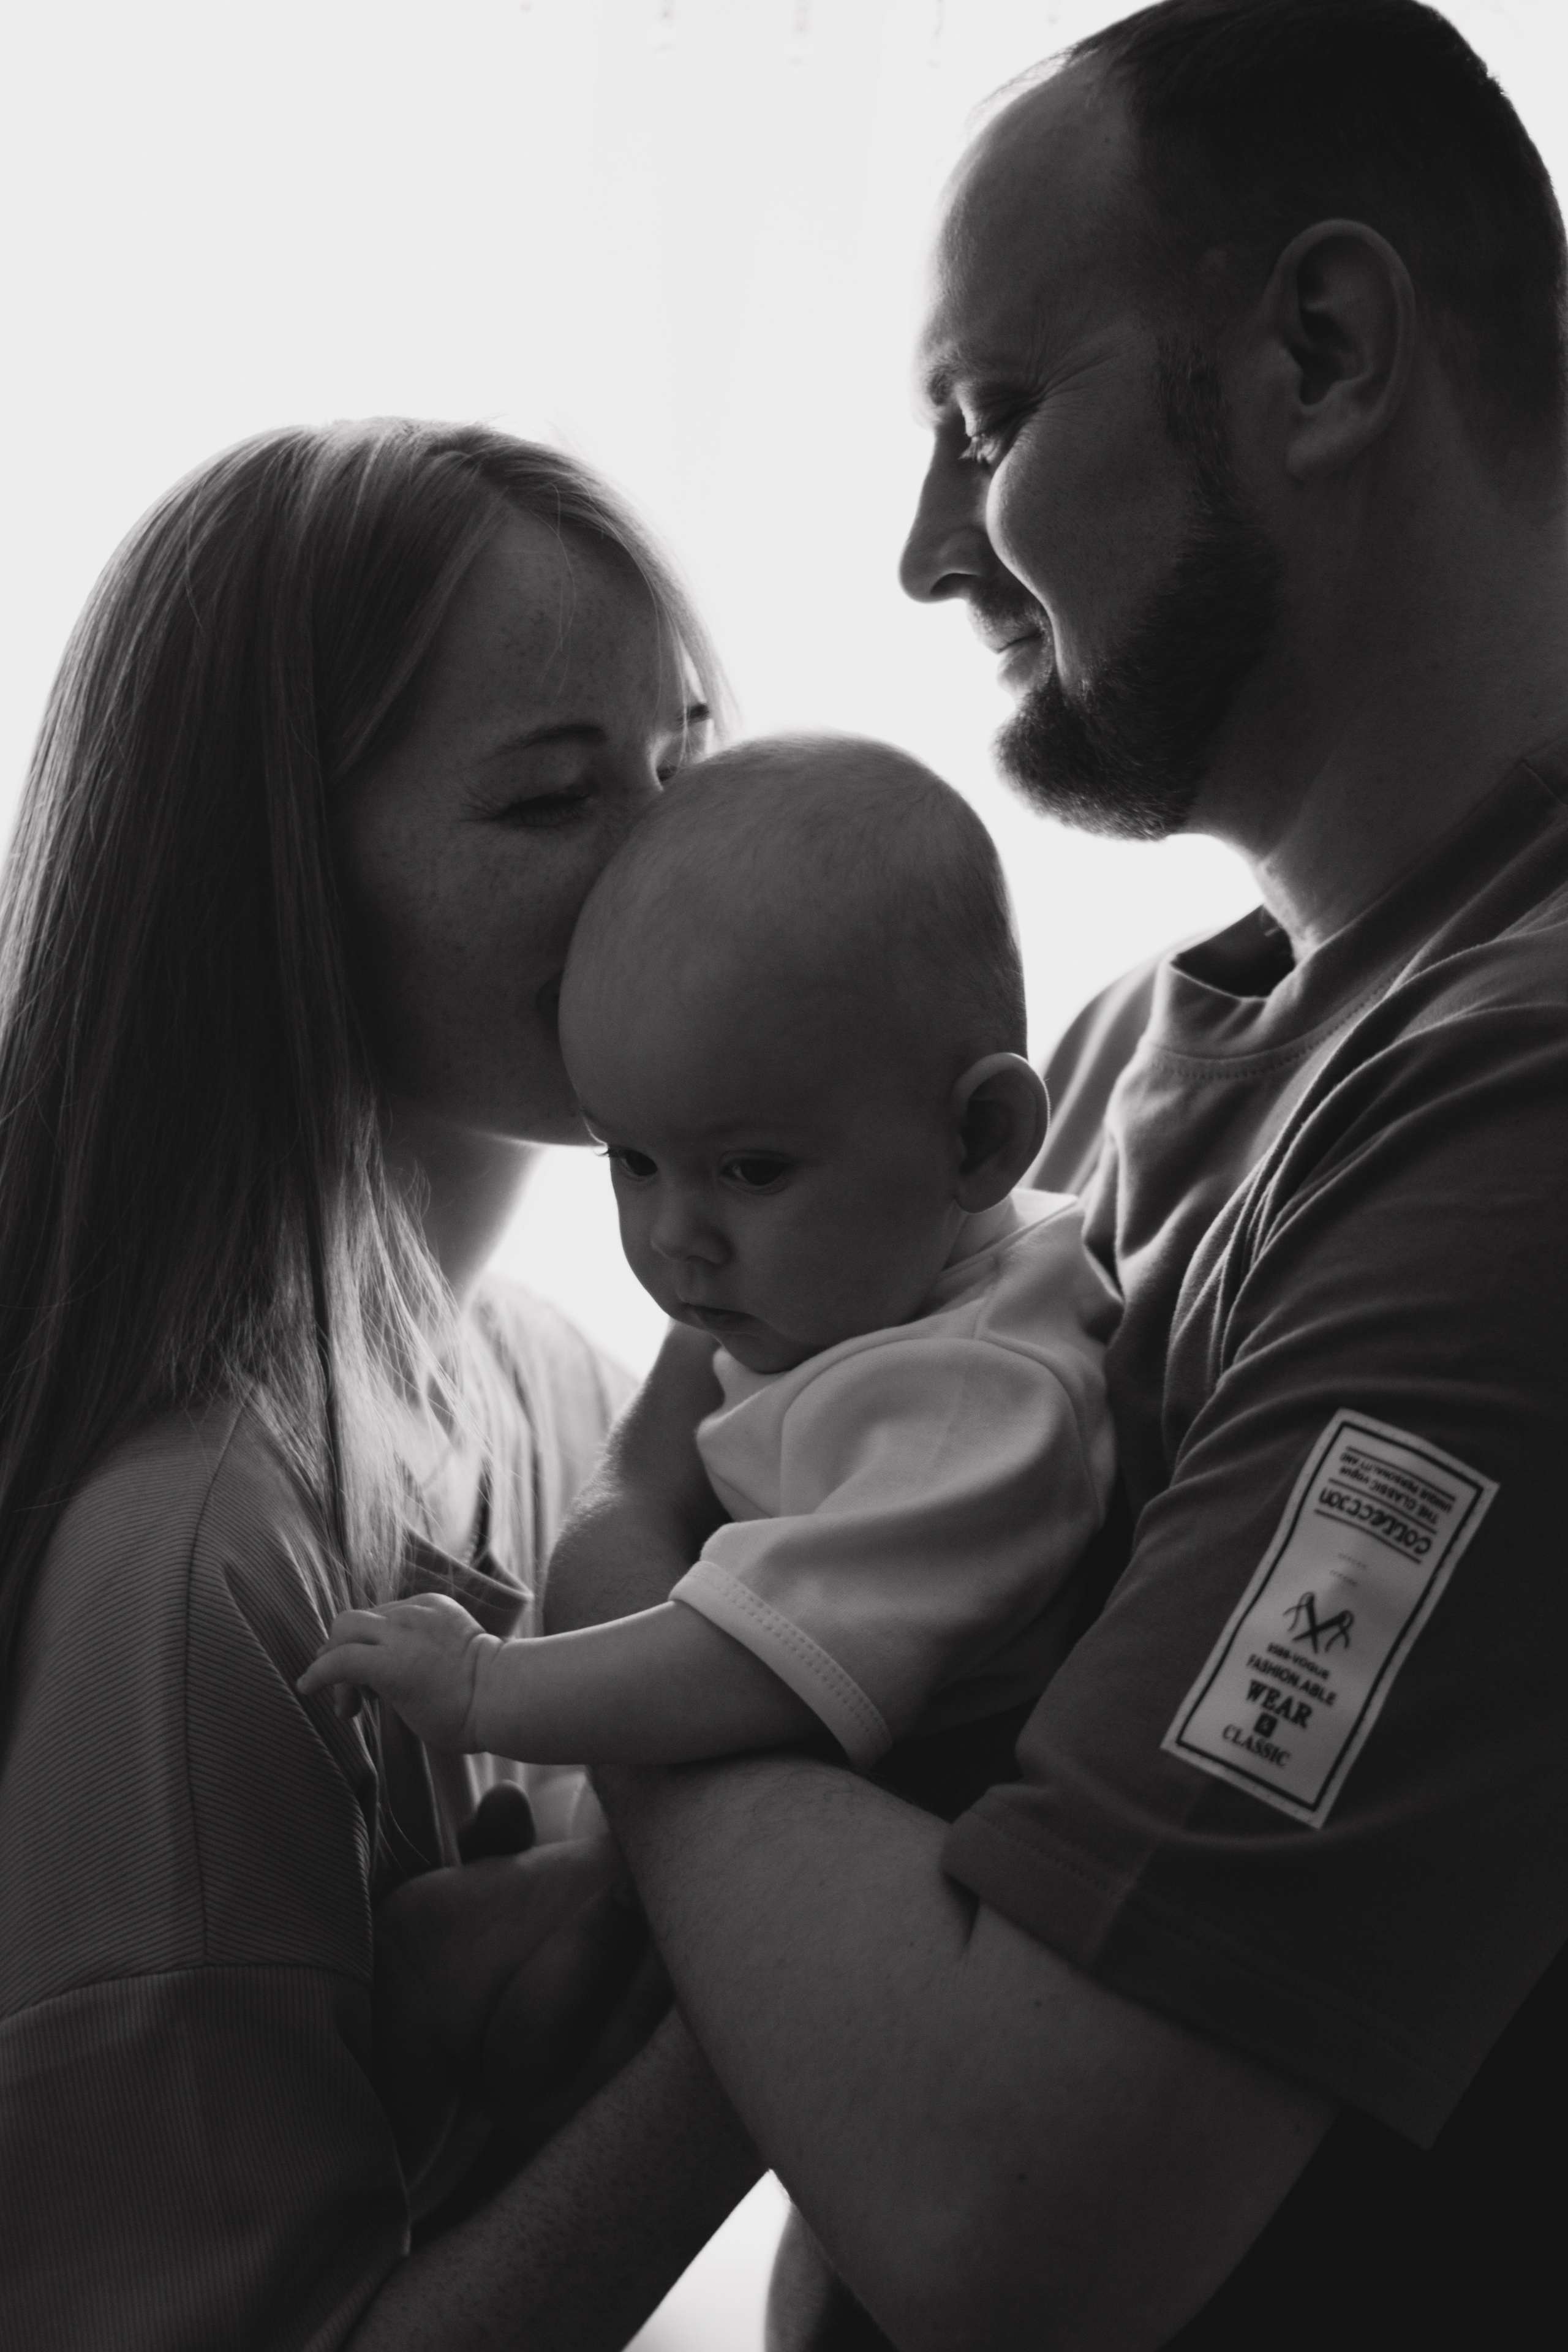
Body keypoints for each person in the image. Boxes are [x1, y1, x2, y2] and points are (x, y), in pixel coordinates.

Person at [541, 3, 1568, 2345]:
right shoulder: (1103, 1068)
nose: (923, 552)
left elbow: (1024, 2215)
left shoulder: (1518, 1149)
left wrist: (646, 1628)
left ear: (1317, 348)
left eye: (988, 418)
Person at [0, 418, 760, 2351]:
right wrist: (762, 2025)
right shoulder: (190, 1577)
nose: (677, 853)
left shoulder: (579, 1400)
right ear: (274, 893)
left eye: (682, 760)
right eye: (548, 801)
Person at [299, 735, 1117, 1777]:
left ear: (983, 1139)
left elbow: (751, 1665)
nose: (673, 1235)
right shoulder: (875, 1283)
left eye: (753, 1171)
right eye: (633, 1159)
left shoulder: (978, 1402)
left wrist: (483, 1688)